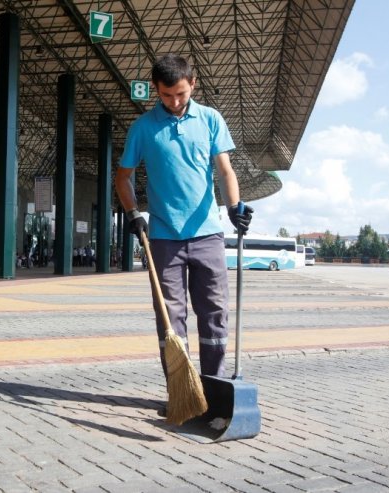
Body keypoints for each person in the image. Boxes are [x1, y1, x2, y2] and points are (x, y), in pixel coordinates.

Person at [114, 54, 253, 411]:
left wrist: (235, 207)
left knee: (214, 312)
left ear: (193, 84)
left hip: (207, 234)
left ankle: (215, 388)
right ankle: (183, 393)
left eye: (180, 94)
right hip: (162, 237)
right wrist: (133, 214)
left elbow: (225, 171)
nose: (174, 102)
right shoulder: (143, 128)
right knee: (169, 319)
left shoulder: (210, 119)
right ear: (156, 91)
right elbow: (123, 177)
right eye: (166, 96)